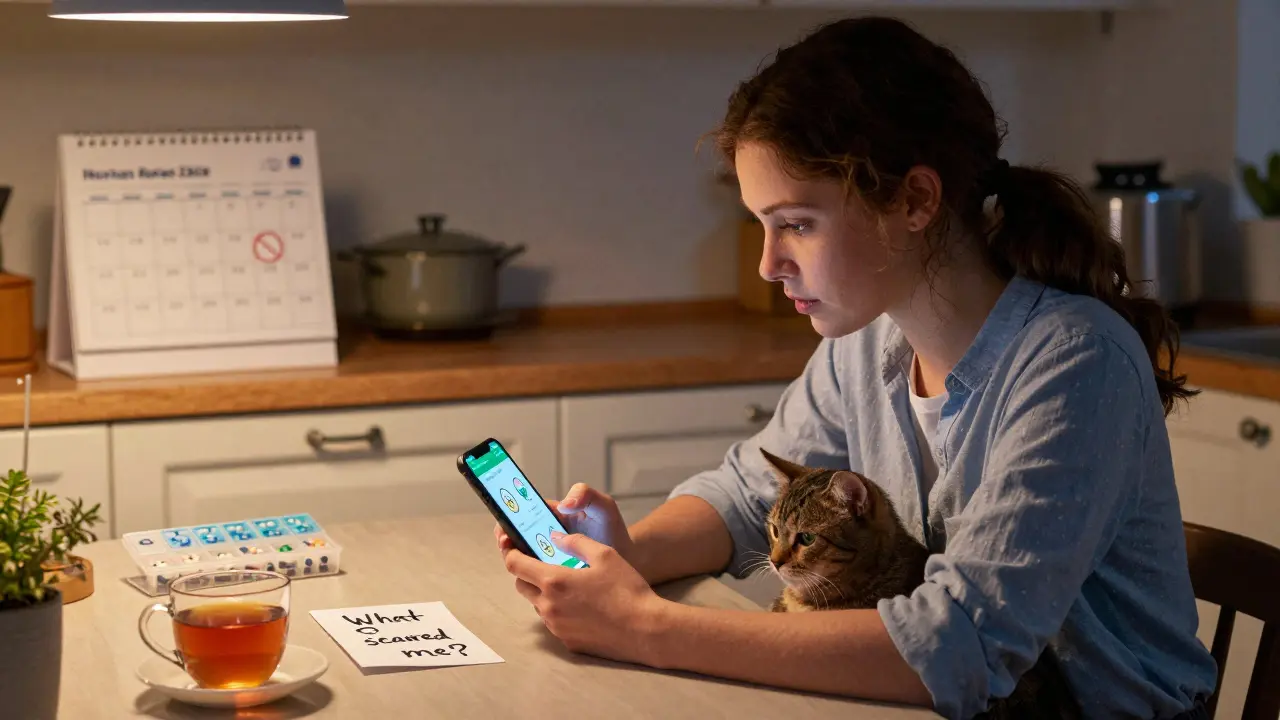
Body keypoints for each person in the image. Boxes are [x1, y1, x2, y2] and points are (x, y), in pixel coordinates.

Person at [494, 15, 1218, 720]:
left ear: (915, 200)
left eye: (797, 225)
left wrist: (643, 627)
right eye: (762, 225)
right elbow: (747, 495)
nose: (769, 265)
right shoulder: (867, 340)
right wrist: (624, 556)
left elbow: (961, 643)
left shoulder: (1074, 363)